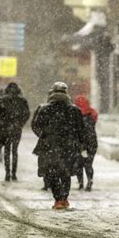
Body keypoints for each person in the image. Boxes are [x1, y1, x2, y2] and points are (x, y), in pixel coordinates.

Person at [32, 82, 85, 210]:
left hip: (49, 146)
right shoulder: (74, 110)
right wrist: (79, 143)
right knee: (65, 173)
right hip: (68, 146)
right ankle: (64, 198)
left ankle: (58, 199)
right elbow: (81, 129)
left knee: (51, 173)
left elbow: (35, 126)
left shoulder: (44, 109)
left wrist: (44, 135)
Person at [0, 82, 30, 181]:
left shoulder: (3, 100)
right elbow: (26, 114)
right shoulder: (22, 101)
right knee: (14, 151)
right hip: (17, 128)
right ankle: (14, 173)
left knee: (7, 151)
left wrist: (3, 124)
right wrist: (20, 123)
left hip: (6, 129)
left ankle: (7, 173)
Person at [74, 95, 98, 191]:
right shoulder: (93, 113)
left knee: (79, 164)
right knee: (88, 163)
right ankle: (89, 180)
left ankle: (81, 183)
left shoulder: (75, 114)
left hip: (81, 143)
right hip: (92, 142)